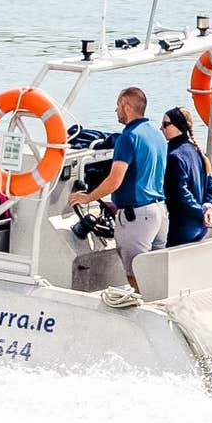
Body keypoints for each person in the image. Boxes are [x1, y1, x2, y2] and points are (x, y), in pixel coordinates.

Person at [67, 87, 167, 290]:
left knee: (135, 276)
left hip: (137, 216)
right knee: (156, 274)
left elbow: (114, 180)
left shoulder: (128, 138)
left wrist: (87, 198)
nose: (116, 111)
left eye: (118, 106)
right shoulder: (157, 134)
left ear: (127, 106)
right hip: (159, 212)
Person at [160, 107, 212, 247]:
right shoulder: (197, 151)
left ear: (178, 126)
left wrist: (200, 212)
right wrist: (208, 209)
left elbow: (180, 193)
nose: (161, 128)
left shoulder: (174, 156)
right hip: (200, 227)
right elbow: (211, 187)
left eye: (165, 124)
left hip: (182, 226)